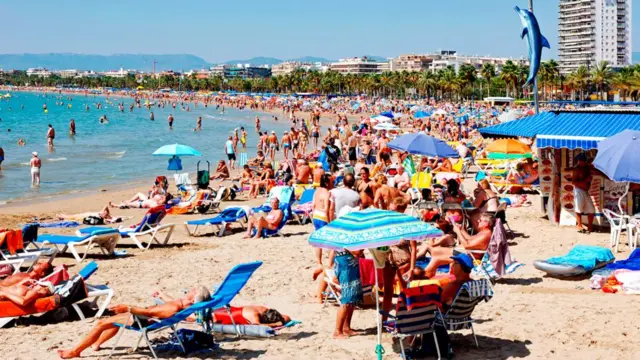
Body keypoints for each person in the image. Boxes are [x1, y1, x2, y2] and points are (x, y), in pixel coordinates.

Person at [57, 287, 211, 359]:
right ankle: (96, 344)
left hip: (142, 320)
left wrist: (129, 308)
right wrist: (163, 295)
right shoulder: (183, 304)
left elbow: (152, 313)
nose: (192, 288)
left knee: (101, 324)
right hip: (145, 318)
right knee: (112, 322)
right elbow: (171, 305)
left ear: (193, 297)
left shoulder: (175, 307)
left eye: (194, 290)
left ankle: (75, 351)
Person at [418, 213, 494, 278]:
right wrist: (461, 230)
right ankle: (426, 274)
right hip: (463, 253)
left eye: (480, 220)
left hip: (467, 256)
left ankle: (424, 276)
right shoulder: (484, 232)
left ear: (486, 223)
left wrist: (458, 232)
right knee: (434, 252)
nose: (478, 221)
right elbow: (469, 238)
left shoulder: (485, 235)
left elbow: (466, 245)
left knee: (435, 254)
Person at [333, 247, 363, 338]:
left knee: (352, 298)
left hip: (349, 265)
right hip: (346, 266)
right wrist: (362, 249)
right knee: (347, 298)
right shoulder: (346, 238)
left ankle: (346, 327)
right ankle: (337, 331)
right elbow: (356, 251)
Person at [573, 153, 595, 234]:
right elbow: (574, 182)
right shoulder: (576, 169)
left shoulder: (587, 168)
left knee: (591, 209)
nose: (581, 162)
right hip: (579, 190)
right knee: (578, 208)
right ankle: (579, 225)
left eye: (583, 161)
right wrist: (586, 180)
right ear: (578, 161)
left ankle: (590, 226)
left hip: (585, 190)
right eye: (580, 161)